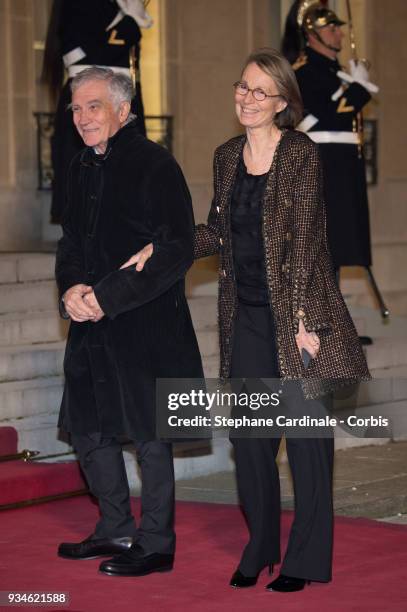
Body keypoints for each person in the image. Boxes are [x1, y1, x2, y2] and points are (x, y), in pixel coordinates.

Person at [122, 48, 370, 593]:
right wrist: (164, 248)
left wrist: (306, 322)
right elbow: (215, 232)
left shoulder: (301, 154)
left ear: (282, 102)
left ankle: (304, 560)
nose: (248, 98)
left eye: (262, 91)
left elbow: (306, 241)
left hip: (299, 313)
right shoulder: (226, 156)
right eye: (243, 87)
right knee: (251, 439)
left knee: (305, 442)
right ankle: (260, 547)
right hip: (247, 318)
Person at [55, 66, 203, 578]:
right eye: (75, 108)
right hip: (91, 322)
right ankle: (114, 526)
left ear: (123, 110)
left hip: (145, 322)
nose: (81, 117)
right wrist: (72, 289)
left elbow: (175, 248)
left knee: (150, 435)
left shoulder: (156, 165)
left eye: (93, 106)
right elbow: (71, 240)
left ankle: (157, 542)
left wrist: (106, 297)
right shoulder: (78, 166)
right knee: (88, 429)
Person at [282, 2, 378, 275]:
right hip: (325, 167)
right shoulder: (303, 72)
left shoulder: (334, 73)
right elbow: (330, 117)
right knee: (324, 248)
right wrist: (358, 89)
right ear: (312, 34)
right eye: (331, 28)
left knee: (338, 248)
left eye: (338, 27)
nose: (339, 34)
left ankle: (329, 313)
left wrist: (351, 85)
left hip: (343, 169)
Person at [42, 0, 152, 223]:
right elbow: (98, 45)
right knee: (85, 171)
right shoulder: (84, 7)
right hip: (96, 92)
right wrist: (129, 20)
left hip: (119, 95)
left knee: (126, 170)